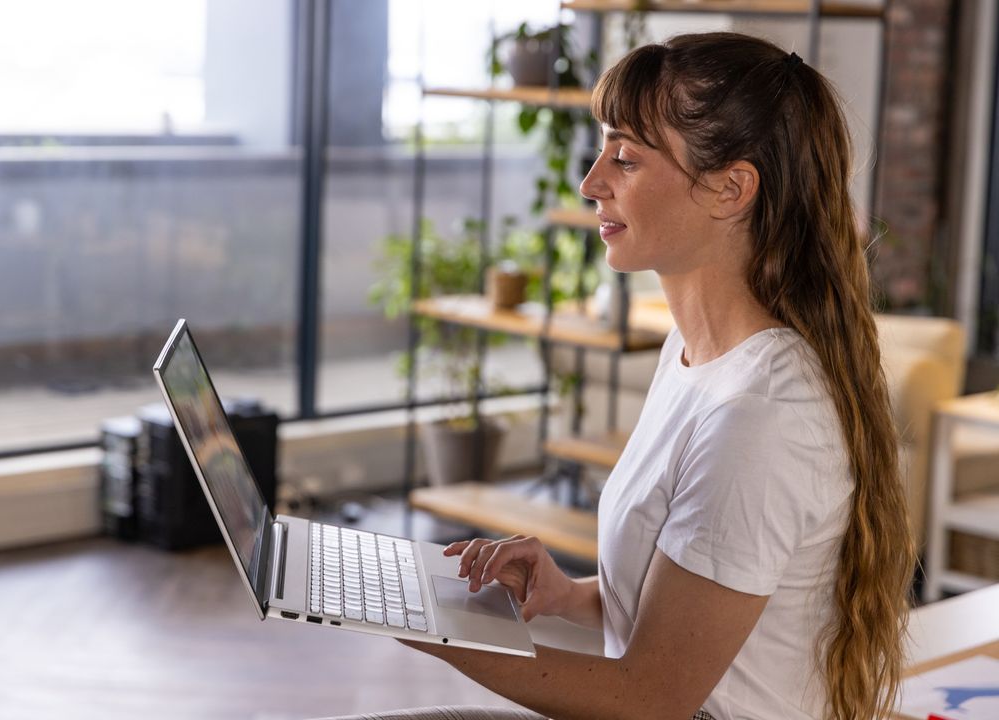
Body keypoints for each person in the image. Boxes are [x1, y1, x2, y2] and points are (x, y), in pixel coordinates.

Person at [319, 31, 914, 720]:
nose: (591, 181)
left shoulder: (762, 415)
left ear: (731, 189)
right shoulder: (696, 357)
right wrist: (567, 595)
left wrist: (428, 620)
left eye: (626, 158)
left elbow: (650, 698)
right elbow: (696, 602)